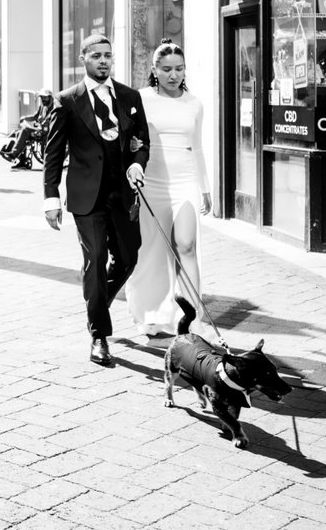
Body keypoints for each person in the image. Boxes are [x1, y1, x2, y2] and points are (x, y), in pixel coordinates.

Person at [42, 35, 150, 366]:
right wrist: (50, 196)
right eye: (96, 56)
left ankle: (98, 301)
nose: (103, 61)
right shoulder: (67, 100)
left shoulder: (130, 97)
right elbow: (53, 152)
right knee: (96, 260)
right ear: (83, 58)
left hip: (123, 194)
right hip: (86, 197)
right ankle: (99, 336)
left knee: (129, 258)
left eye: (108, 56)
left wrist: (137, 162)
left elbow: (141, 140)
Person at [125, 40, 212, 338]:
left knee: (186, 245)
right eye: (166, 69)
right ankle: (151, 313)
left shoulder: (195, 103)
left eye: (179, 69)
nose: (174, 75)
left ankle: (193, 319)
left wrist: (205, 188)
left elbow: (197, 147)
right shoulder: (141, 99)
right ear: (154, 70)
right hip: (152, 183)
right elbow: (131, 140)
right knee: (152, 250)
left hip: (185, 181)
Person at [0, 87, 53, 168]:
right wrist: (25, 118)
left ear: (50, 97)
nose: (43, 99)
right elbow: (35, 116)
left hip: (46, 131)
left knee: (25, 130)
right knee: (19, 133)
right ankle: (22, 160)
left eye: (45, 97)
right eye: (42, 97)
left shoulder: (54, 107)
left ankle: (14, 153)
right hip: (39, 129)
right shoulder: (42, 106)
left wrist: (44, 122)